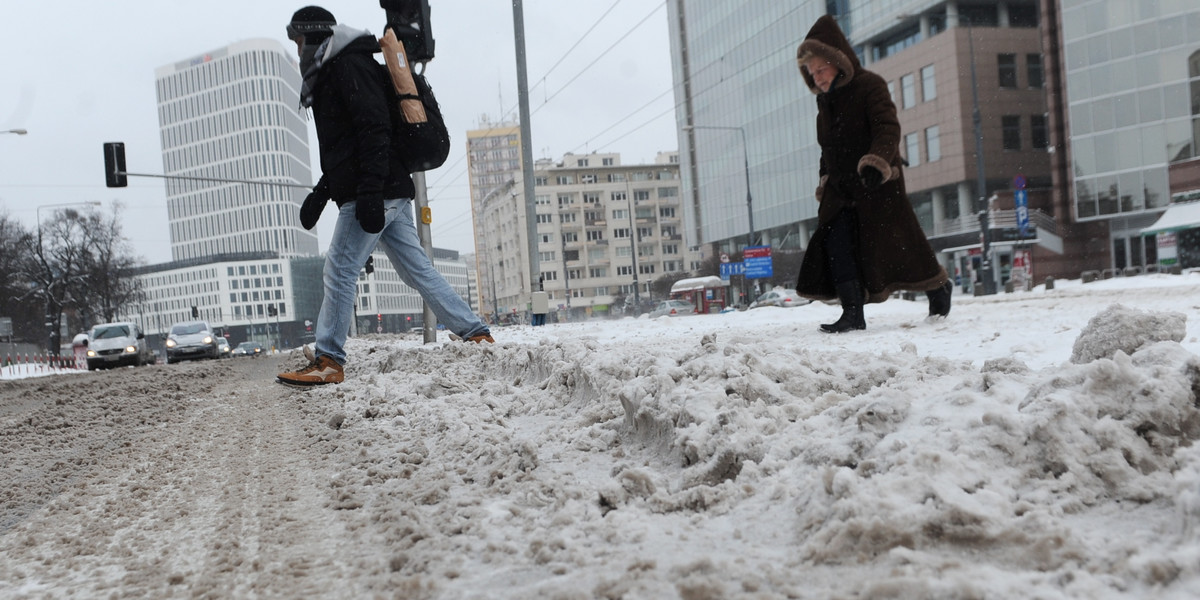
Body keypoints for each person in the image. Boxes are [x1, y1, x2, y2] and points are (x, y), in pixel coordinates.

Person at [278, 6, 493, 387]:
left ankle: (329, 359)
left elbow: (375, 130)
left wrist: (370, 194)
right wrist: (321, 192)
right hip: (383, 188)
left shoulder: (347, 67)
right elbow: (346, 148)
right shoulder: (333, 70)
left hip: (376, 190)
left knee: (340, 269)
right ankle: (475, 331)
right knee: (417, 271)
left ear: (311, 36)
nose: (297, 51)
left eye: (298, 41)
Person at [794, 15, 953, 333]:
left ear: (837, 61)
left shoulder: (870, 86)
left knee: (900, 244)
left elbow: (887, 127)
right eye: (812, 74)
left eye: (821, 70)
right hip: (840, 189)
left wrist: (875, 163)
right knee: (837, 243)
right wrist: (825, 181)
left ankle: (937, 287)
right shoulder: (824, 105)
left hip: (876, 184)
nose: (818, 78)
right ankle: (853, 312)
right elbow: (828, 149)